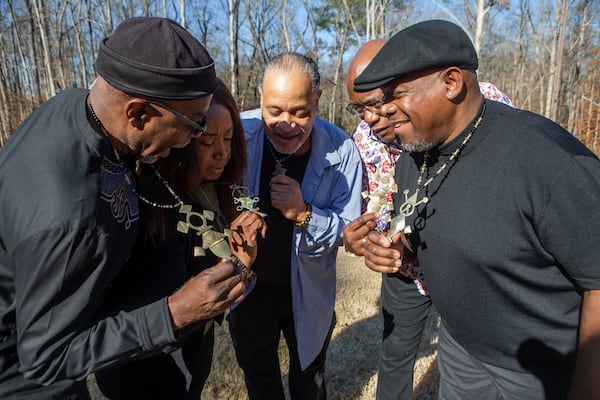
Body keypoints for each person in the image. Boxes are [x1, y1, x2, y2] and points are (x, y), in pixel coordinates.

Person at [0, 17, 250, 399]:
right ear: (137, 113)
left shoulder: (77, 108)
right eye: (194, 124)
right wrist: (174, 313)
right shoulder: (71, 219)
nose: (192, 139)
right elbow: (44, 358)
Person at [352, 19, 600, 400]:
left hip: (536, 370)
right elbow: (435, 230)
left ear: (451, 83)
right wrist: (397, 250)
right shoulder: (413, 156)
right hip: (461, 350)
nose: (383, 113)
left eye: (395, 95)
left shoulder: (547, 160)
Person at [343, 39, 514, 400]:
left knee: (472, 369)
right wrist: (370, 241)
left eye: (376, 103)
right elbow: (376, 210)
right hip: (407, 272)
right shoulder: (366, 141)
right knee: (395, 353)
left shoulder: (483, 103)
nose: (370, 118)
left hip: (468, 270)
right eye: (358, 110)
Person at [93, 78, 267, 399]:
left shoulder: (218, 190)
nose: (222, 153)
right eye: (206, 142)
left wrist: (240, 255)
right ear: (181, 138)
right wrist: (239, 264)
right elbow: (175, 302)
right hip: (145, 360)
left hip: (193, 343)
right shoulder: (157, 202)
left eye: (229, 138)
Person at [227, 52, 363, 399]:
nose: (286, 123)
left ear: (316, 100)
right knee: (258, 375)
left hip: (308, 290)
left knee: (309, 378)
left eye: (300, 112)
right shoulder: (235, 136)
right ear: (260, 99)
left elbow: (349, 229)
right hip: (249, 290)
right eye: (274, 111)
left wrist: (304, 213)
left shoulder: (342, 149)